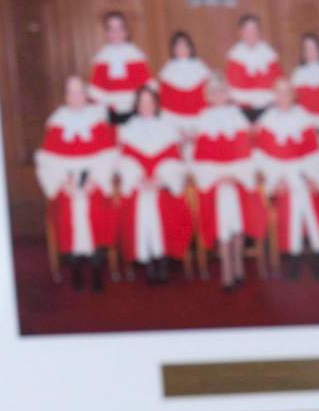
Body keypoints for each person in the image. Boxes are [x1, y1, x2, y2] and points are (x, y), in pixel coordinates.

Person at [34, 75, 118, 292]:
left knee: (98, 210)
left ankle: (97, 270)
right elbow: (47, 162)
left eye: (80, 93)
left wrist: (95, 181)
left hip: (94, 182)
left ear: (85, 95)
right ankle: (76, 270)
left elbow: (108, 157)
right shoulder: (57, 122)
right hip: (66, 184)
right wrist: (63, 184)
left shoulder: (97, 121)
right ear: (66, 97)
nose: (76, 97)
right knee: (65, 213)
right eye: (72, 93)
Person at [190, 77, 265, 290]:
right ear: (208, 96)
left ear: (227, 93)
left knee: (237, 223)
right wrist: (217, 177)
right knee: (223, 222)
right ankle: (227, 270)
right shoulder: (203, 119)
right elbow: (200, 157)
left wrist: (235, 176)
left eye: (221, 91)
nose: (218, 95)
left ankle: (238, 264)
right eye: (214, 92)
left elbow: (246, 151)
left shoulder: (237, 116)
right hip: (215, 184)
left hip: (238, 181)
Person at [255, 76, 319, 280]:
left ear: (293, 96)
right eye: (279, 93)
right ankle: (294, 257)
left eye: (287, 93)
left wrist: (313, 178)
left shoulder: (304, 118)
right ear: (274, 96)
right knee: (289, 203)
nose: (283, 97)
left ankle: (316, 255)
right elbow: (264, 158)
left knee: (311, 202)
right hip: (281, 181)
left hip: (304, 176)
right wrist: (276, 180)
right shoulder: (267, 121)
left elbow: (313, 154)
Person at [115, 85, 193, 284]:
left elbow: (175, 159)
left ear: (156, 104)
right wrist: (137, 178)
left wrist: (162, 179)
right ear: (136, 105)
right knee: (136, 209)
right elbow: (124, 161)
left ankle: (163, 260)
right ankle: (149, 260)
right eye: (142, 102)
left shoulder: (168, 128)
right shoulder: (127, 130)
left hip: (162, 185)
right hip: (139, 186)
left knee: (168, 207)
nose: (146, 106)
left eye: (150, 101)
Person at [88, 10, 152, 124]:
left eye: (119, 28)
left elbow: (146, 90)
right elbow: (96, 93)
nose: (115, 33)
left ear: (126, 31)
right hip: (110, 113)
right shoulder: (101, 60)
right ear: (106, 33)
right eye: (111, 29)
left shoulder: (136, 57)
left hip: (135, 112)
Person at [224, 13, 283, 122]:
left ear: (259, 32)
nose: (251, 34)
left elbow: (278, 86)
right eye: (247, 30)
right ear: (241, 32)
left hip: (268, 110)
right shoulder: (235, 58)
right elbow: (232, 91)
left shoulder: (270, 57)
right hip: (241, 111)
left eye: (254, 30)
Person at [155, 30, 211, 137]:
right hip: (175, 126)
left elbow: (206, 101)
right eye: (178, 46)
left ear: (191, 47)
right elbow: (165, 104)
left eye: (185, 45)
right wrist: (177, 130)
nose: (182, 49)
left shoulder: (201, 69)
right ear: (173, 49)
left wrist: (196, 129)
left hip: (198, 124)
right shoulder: (167, 72)